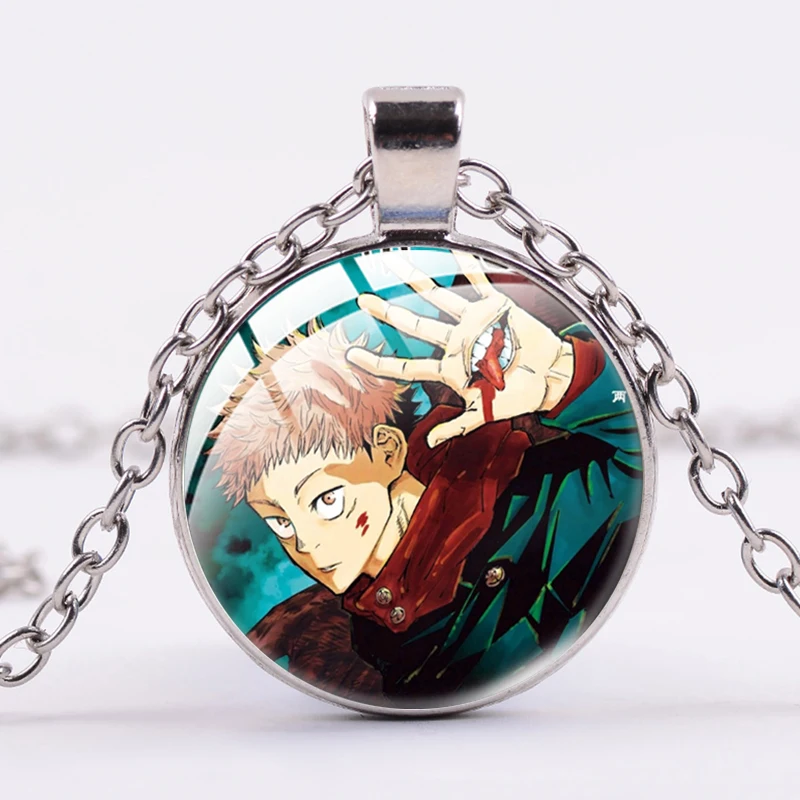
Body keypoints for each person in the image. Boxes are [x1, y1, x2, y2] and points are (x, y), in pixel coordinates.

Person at [210, 250, 643, 705]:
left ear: (387, 451)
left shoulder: (536, 498)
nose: (306, 545)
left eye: (327, 501)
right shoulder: (346, 632)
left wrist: (563, 375)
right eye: (281, 523)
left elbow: (632, 457)